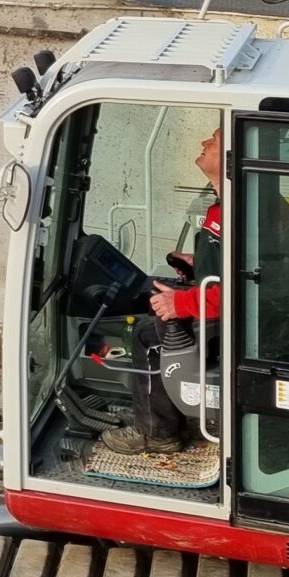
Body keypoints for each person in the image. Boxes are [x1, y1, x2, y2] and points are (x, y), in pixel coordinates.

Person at [103, 123, 222, 454]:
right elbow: (232, 263)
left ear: (230, 153)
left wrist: (181, 304)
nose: (203, 142)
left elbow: (244, 288)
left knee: (147, 335)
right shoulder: (228, 203)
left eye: (212, 140)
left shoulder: (241, 209)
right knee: (151, 303)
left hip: (233, 319)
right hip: (217, 302)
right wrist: (198, 263)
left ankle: (158, 434)